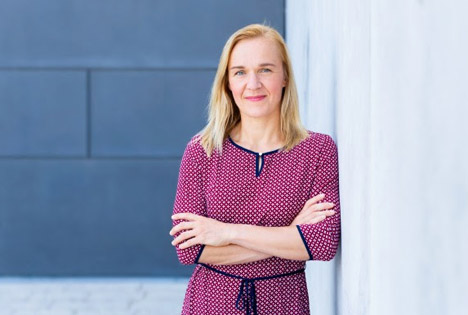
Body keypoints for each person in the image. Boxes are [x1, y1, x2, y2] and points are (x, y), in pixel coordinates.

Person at [169, 23, 341, 315]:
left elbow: (322, 243)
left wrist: (225, 232)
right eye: (240, 72)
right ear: (227, 83)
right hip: (211, 304)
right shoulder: (202, 151)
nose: (253, 84)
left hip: (285, 305)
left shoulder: (318, 150)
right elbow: (189, 250)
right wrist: (290, 235)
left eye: (265, 70)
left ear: (285, 76)